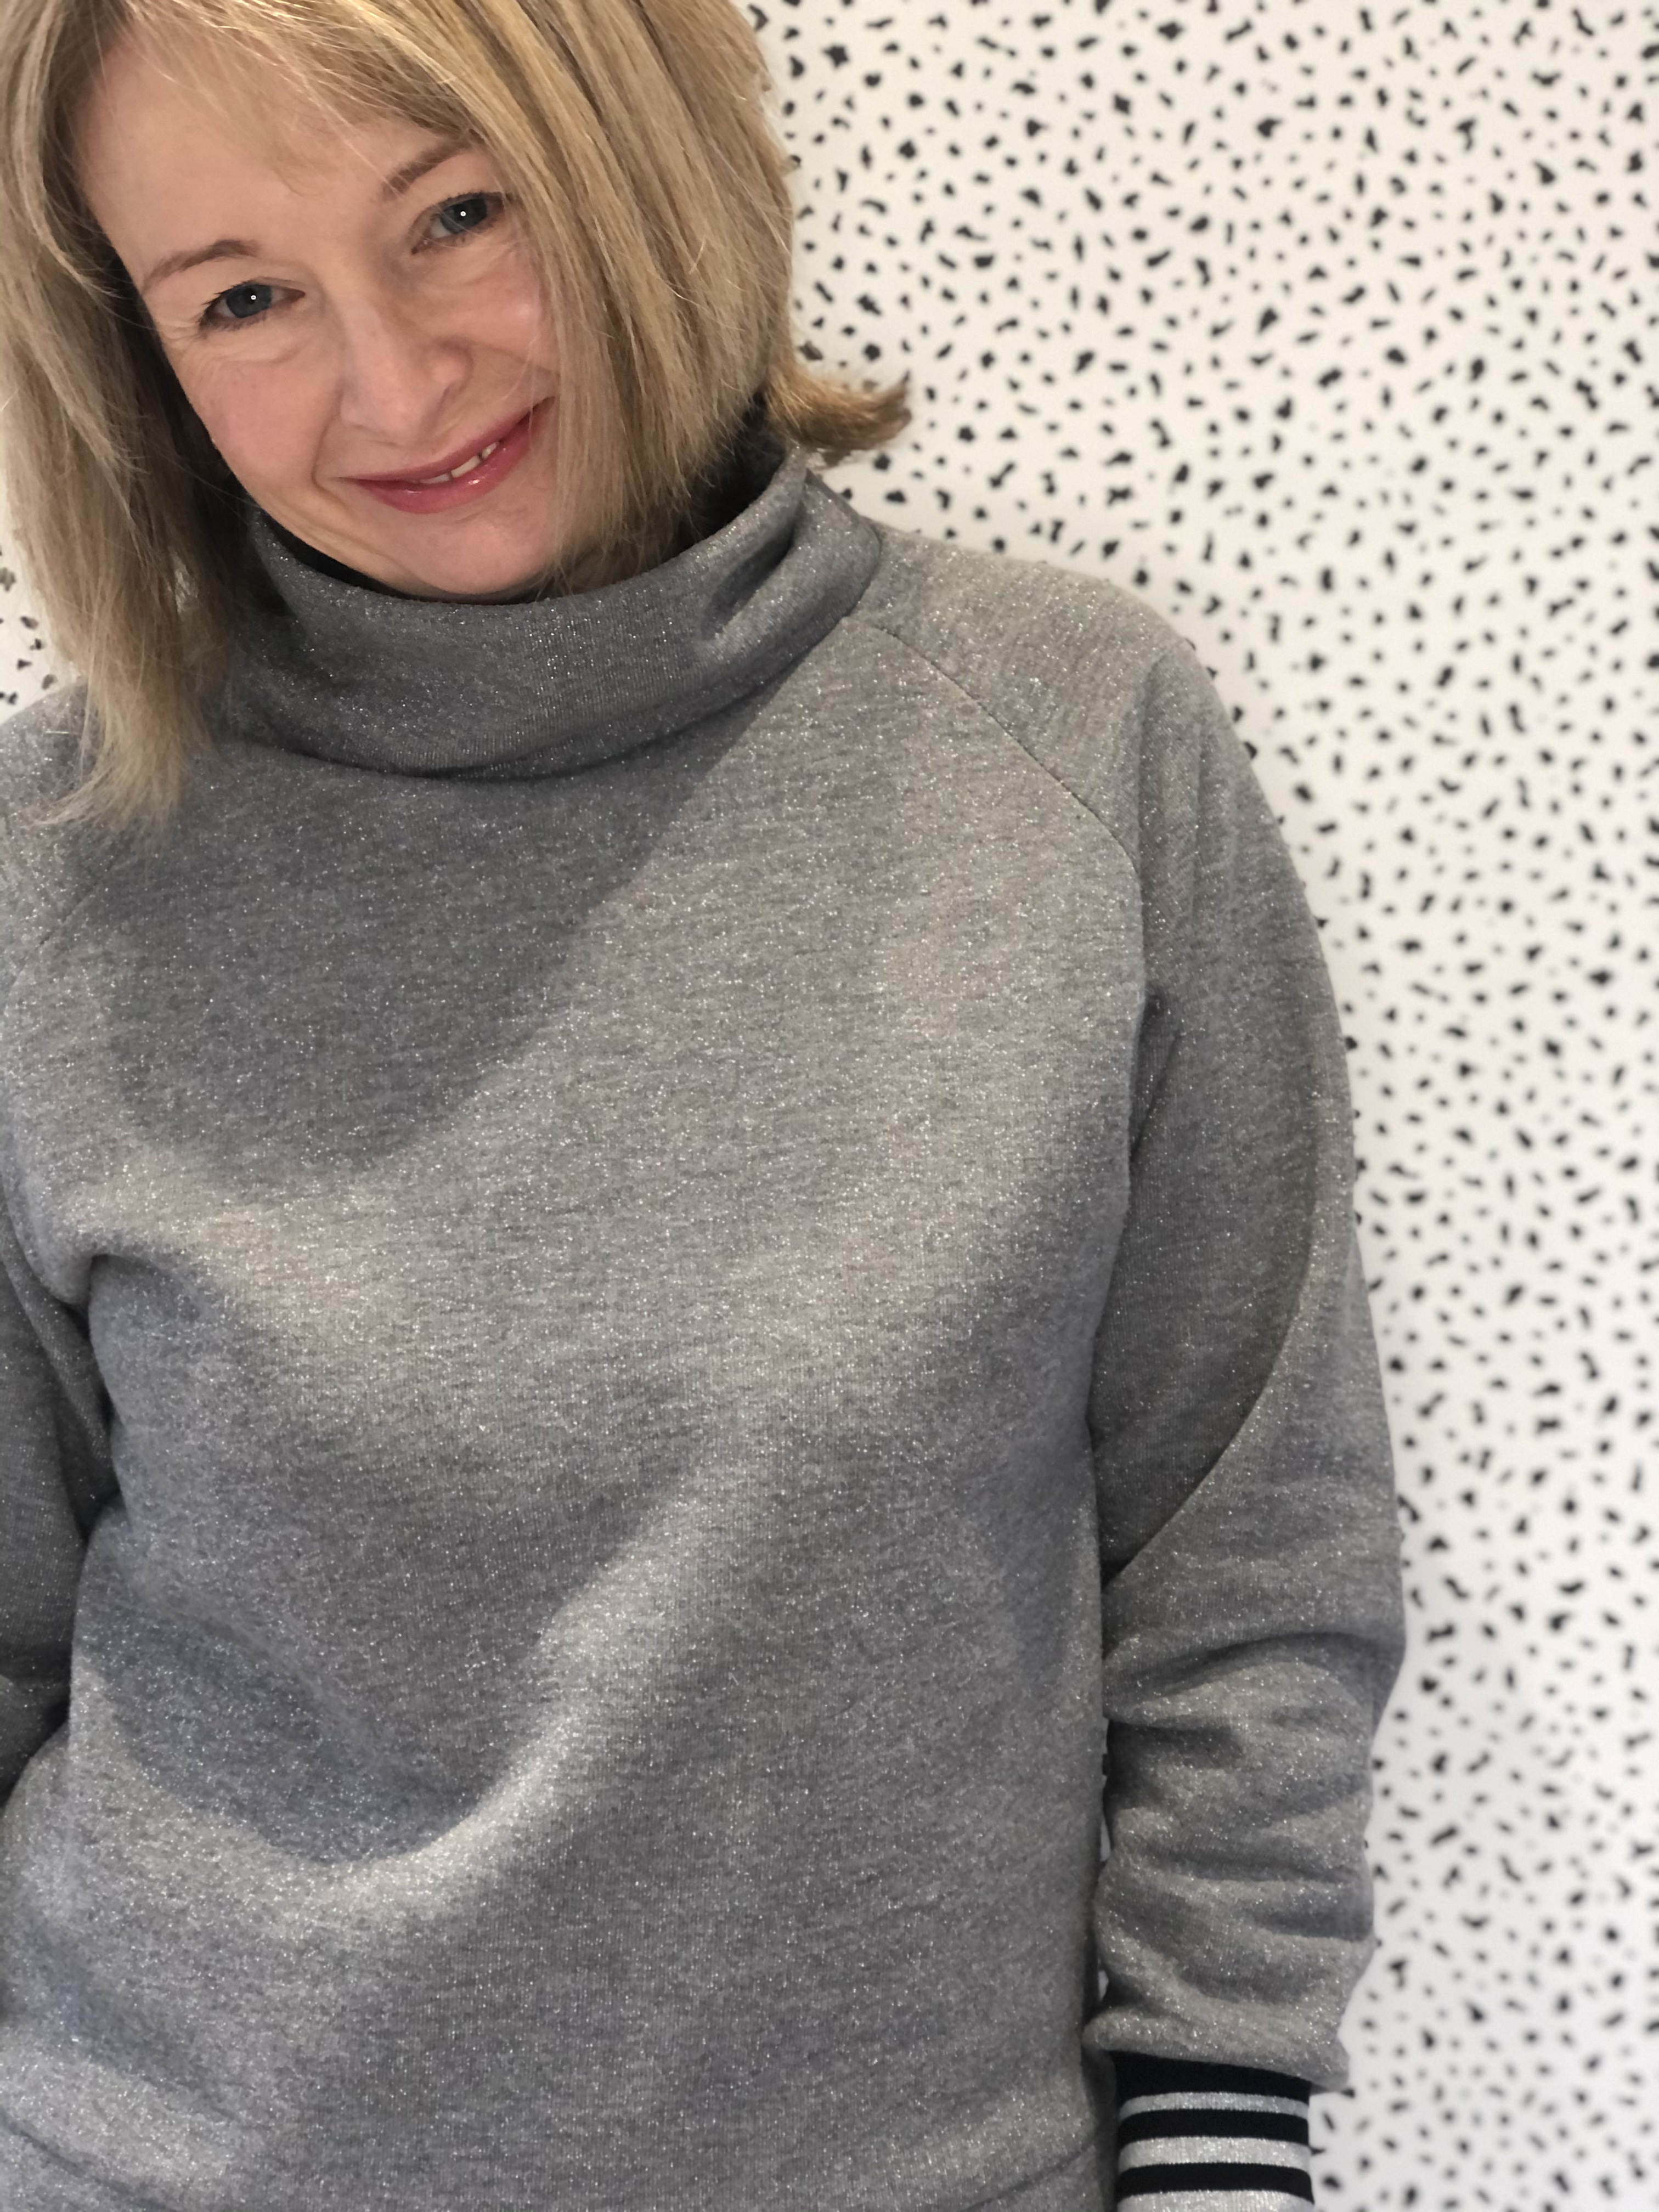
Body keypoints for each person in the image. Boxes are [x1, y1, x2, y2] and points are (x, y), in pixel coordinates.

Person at [0, 0, 1408, 2206]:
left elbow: (1246, 1537)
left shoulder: (1072, 749)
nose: (396, 384)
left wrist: (1220, 2131)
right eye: (244, 298)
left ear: (640, 154)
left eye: (458, 214)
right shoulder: (52, 876)